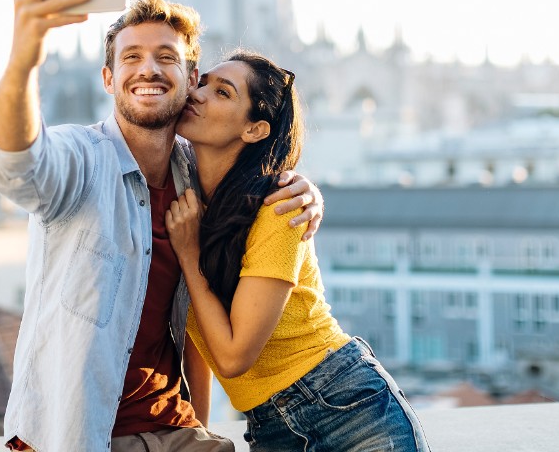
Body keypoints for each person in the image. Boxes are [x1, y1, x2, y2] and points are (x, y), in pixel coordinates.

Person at [0, 0, 326, 452]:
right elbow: (17, 164)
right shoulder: (81, 160)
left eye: (167, 57)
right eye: (132, 57)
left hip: (175, 430)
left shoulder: (199, 181)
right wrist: (24, 57)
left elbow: (194, 324)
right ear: (108, 77)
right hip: (78, 436)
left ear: (190, 80)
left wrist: (303, 187)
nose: (149, 69)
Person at [166, 50, 430, 452]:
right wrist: (197, 431)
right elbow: (198, 334)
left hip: (348, 408)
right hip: (272, 429)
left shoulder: (279, 207)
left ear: (254, 130)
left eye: (223, 93)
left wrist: (189, 256)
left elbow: (234, 357)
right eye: (202, 83)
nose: (199, 94)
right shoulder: (185, 203)